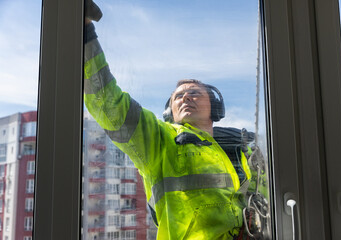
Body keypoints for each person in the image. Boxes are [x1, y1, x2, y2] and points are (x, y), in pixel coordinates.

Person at [84, 4, 268, 239]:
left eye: (195, 93)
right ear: (170, 111)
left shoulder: (244, 148)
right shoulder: (159, 141)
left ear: (215, 107)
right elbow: (109, 104)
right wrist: (87, 33)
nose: (186, 98)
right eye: (178, 96)